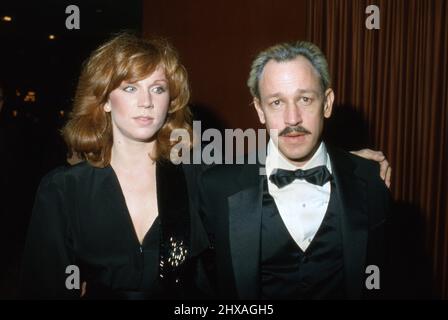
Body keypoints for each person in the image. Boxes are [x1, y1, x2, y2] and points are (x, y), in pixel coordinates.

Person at [19, 33, 209, 299]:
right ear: (105, 100)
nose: (146, 102)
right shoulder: (64, 189)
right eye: (130, 88)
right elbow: (43, 287)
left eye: (158, 88)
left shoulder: (200, 181)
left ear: (170, 101)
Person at [198, 41, 392, 299]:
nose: (292, 119)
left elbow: (382, 277)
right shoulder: (217, 187)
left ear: (327, 103)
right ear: (259, 110)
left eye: (305, 99)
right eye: (277, 102)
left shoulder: (369, 177)